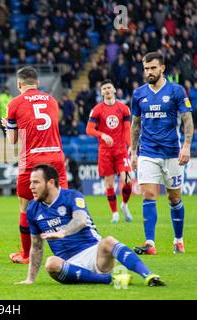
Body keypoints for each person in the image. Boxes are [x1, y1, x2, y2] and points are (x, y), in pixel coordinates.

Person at [17, 164, 165, 287]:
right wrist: (30, 279)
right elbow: (36, 246)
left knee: (108, 241)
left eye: (36, 182)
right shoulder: (32, 208)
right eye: (31, 182)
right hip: (69, 264)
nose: (31, 187)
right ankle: (112, 279)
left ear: (50, 182)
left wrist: (63, 232)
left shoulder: (72, 196)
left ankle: (149, 276)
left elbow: (80, 220)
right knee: (51, 264)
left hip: (95, 254)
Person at [1, 66, 68, 264]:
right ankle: (70, 252)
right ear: (38, 83)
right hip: (56, 157)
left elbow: (13, 140)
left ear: (19, 84)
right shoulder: (52, 101)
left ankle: (25, 255)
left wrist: (7, 127)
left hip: (32, 159)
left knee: (25, 207)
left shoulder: (14, 103)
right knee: (62, 205)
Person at [130, 52, 194, 255]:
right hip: (147, 152)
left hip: (172, 153)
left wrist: (186, 146)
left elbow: (187, 120)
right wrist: (133, 152)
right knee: (148, 195)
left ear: (162, 68)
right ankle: (150, 243)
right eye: (146, 68)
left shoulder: (176, 91)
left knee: (174, 198)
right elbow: (135, 125)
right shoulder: (138, 94)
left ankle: (178, 240)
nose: (149, 72)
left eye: (153, 68)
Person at [86, 79, 133, 223]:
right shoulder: (97, 109)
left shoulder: (124, 108)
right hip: (105, 151)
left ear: (114, 90)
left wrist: (130, 145)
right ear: (101, 92)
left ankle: (124, 205)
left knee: (128, 181)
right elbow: (89, 129)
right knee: (109, 184)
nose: (107, 90)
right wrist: (102, 134)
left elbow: (126, 129)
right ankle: (115, 213)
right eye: (104, 88)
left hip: (121, 150)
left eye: (109, 88)